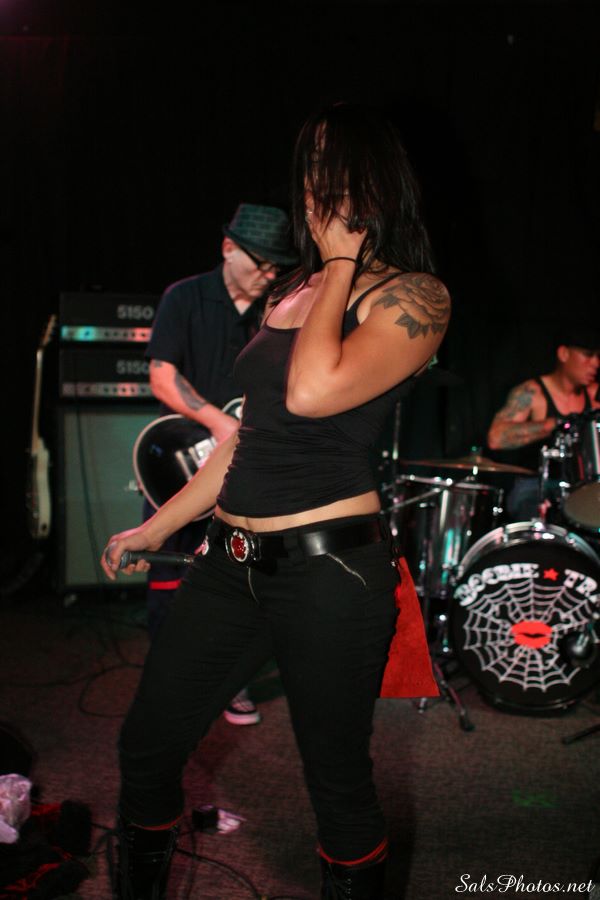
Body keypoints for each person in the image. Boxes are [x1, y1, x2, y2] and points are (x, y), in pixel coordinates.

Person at [103, 102, 451, 900]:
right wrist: (159, 525)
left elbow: (313, 391)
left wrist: (341, 264)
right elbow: (248, 436)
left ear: (378, 180)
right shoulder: (292, 289)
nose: (318, 182)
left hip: (330, 576)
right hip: (229, 566)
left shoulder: (416, 297)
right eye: (311, 164)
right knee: (147, 746)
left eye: (336, 164)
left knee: (337, 782)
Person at [144, 202, 297, 725]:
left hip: (246, 464)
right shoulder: (185, 297)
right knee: (170, 566)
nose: (268, 274)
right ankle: (169, 678)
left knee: (240, 569)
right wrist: (217, 422)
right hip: (181, 456)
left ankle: (232, 681)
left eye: (277, 266)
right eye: (260, 263)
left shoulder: (278, 310)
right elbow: (162, 376)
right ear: (228, 247)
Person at [487, 329, 600, 519]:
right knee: (531, 502)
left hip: (585, 488)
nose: (596, 363)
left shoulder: (594, 395)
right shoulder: (532, 392)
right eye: (588, 355)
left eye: (598, 356)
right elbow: (496, 438)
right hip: (536, 486)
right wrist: (558, 424)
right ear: (564, 354)